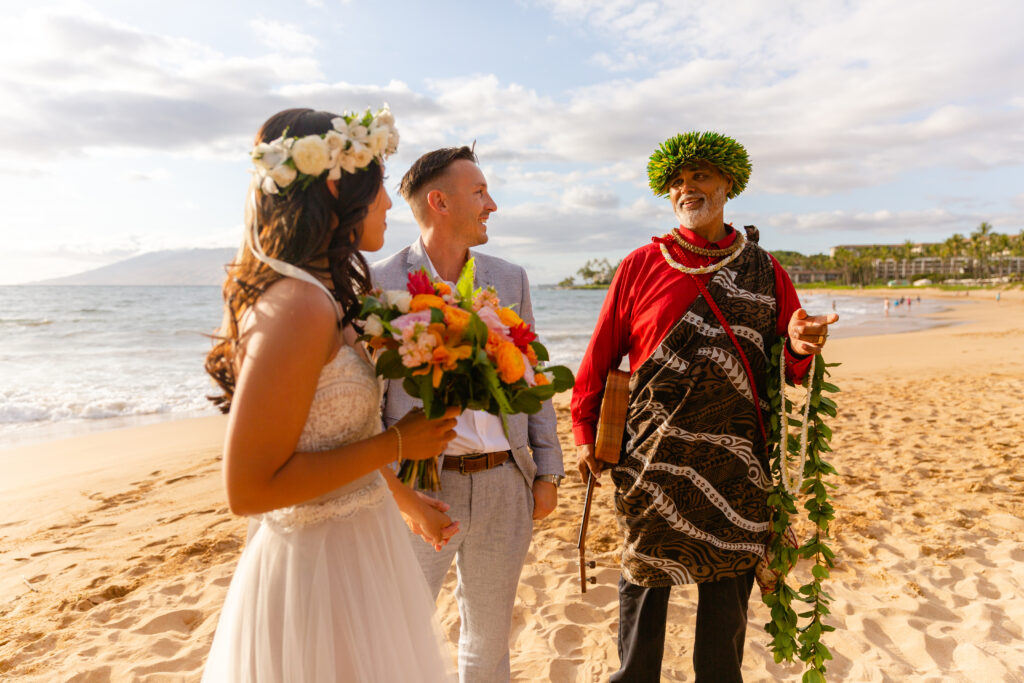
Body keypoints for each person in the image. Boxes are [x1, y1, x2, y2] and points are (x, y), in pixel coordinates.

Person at [201, 107, 459, 682]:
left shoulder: (325, 294)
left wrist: (402, 498)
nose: (391, 205)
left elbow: (329, 437)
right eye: (380, 189)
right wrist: (397, 443)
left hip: (361, 550)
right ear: (340, 188)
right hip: (316, 574)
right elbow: (248, 488)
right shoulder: (296, 305)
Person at [572, 131, 838, 683]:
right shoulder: (640, 265)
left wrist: (801, 343)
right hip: (651, 464)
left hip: (736, 470)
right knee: (643, 598)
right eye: (676, 181)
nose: (686, 188)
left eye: (699, 177)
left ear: (728, 185)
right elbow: (598, 360)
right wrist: (584, 436)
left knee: (724, 627)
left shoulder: (766, 272)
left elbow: (789, 360)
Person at [371, 146, 563, 683]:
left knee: (489, 638)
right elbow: (370, 405)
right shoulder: (380, 282)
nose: (492, 204)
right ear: (440, 202)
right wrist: (400, 495)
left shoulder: (510, 277)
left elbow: (534, 378)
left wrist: (547, 470)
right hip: (424, 489)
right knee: (399, 631)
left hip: (506, 481)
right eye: (479, 192)